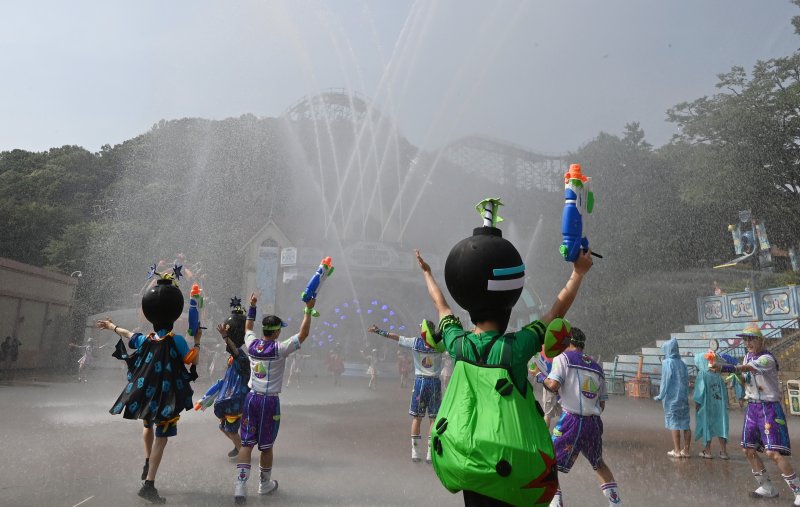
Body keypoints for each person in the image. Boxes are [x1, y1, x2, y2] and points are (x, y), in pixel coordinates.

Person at [417, 239, 592, 507]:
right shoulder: (516, 348)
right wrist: (578, 272)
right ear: (507, 311)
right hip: (509, 459)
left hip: (467, 455)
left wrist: (427, 273)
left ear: (471, 311)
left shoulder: (457, 342)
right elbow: (558, 310)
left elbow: (441, 305)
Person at [98, 265, 200, 504]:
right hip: (166, 397)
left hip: (147, 392)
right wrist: (197, 342)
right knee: (162, 438)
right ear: (174, 315)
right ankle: (149, 484)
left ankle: (147, 460)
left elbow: (128, 334)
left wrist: (112, 326)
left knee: (147, 426)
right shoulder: (175, 340)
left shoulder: (147, 339)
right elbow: (189, 359)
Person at [233, 292, 317, 505]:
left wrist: (252, 306)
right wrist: (308, 310)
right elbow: (303, 334)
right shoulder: (280, 349)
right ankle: (264, 484)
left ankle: (240, 488)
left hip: (251, 398)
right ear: (277, 331)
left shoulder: (251, 344)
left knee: (246, 444)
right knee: (266, 446)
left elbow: (248, 328)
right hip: (269, 402)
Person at [711, 326, 800, 504]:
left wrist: (726, 368)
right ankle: (767, 487)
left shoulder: (767, 359)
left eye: (752, 339)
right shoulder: (747, 356)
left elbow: (746, 368)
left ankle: (798, 490)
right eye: (746, 339)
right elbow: (746, 378)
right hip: (753, 408)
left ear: (761, 340)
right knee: (748, 449)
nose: (748, 343)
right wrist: (739, 378)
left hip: (769, 408)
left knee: (772, 452)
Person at [543, 327, 622, 507]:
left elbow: (553, 385)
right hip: (593, 423)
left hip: (571, 421)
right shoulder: (597, 367)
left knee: (547, 460)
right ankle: (616, 504)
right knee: (598, 463)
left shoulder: (562, 358)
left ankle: (555, 503)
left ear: (567, 342)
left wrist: (540, 377)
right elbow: (601, 404)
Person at [369, 321, 444, 463]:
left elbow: (396, 337)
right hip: (434, 382)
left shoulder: (415, 342)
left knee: (417, 418)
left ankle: (415, 453)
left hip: (420, 382)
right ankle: (430, 453)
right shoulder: (440, 346)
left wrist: (380, 332)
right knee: (433, 419)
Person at [204, 298, 250, 460]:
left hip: (236, 398)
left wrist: (225, 337)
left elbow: (235, 350)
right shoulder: (233, 358)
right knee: (224, 428)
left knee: (230, 429)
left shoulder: (241, 356)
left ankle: (244, 454)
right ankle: (239, 447)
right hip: (229, 396)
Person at [654, 337, 691, 458]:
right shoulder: (682, 363)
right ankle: (686, 450)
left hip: (672, 398)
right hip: (683, 398)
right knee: (685, 424)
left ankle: (676, 450)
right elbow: (687, 380)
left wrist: (661, 395)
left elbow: (665, 381)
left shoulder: (667, 363)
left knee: (674, 423)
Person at [693, 352, 729, 459]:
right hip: (719, 407)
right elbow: (724, 393)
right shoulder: (718, 376)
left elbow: (699, 392)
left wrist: (697, 406)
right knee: (721, 426)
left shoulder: (702, 374)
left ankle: (707, 451)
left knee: (706, 426)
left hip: (706, 406)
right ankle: (723, 452)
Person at [532, 350, 562, 431]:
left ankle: (544, 438)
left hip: (550, 381)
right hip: (555, 382)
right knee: (551, 415)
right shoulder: (562, 348)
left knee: (548, 416)